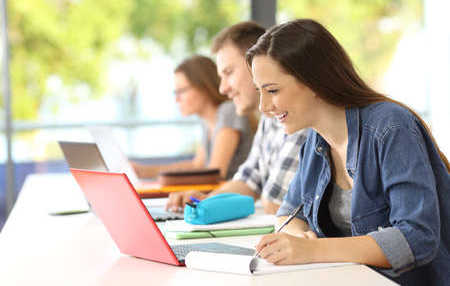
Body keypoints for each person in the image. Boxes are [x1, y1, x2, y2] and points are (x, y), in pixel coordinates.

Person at [247, 19, 450, 285]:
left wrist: (312, 250)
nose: (263, 106)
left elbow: (416, 237)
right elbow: (288, 212)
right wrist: (297, 238)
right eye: (259, 92)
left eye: (272, 90)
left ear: (314, 81)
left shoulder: (390, 126)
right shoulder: (314, 141)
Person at [166, 22, 308, 213]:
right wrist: (205, 202)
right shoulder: (269, 120)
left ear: (256, 63)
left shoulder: (299, 118)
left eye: (229, 72)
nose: (222, 88)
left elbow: (276, 204)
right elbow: (248, 181)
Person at [133, 55, 253, 180]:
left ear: (204, 87)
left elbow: (214, 174)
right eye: (175, 92)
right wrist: (142, 171)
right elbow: (196, 166)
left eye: (182, 91)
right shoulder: (207, 122)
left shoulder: (228, 111)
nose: (177, 99)